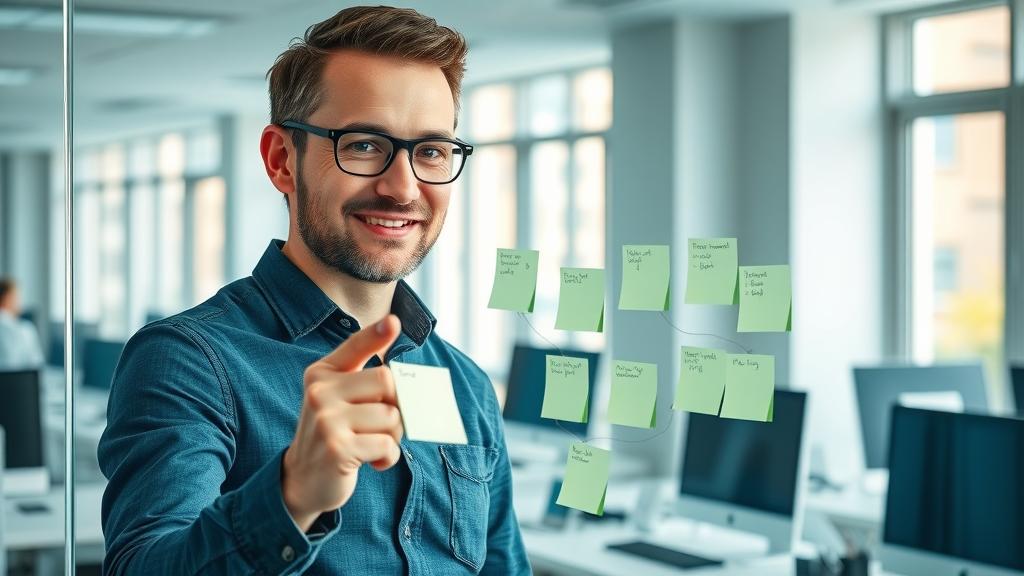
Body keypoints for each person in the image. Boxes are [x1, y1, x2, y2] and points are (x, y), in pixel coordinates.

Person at [98, 6, 530, 575]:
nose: (403, 188)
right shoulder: (188, 361)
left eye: (430, 151)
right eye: (364, 144)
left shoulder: (465, 385)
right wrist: (293, 495)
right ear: (282, 160)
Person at [0, 276, 44, 370]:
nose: (20, 304)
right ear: (7, 299)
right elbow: (37, 369)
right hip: (17, 384)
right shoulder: (25, 330)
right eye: (18, 298)